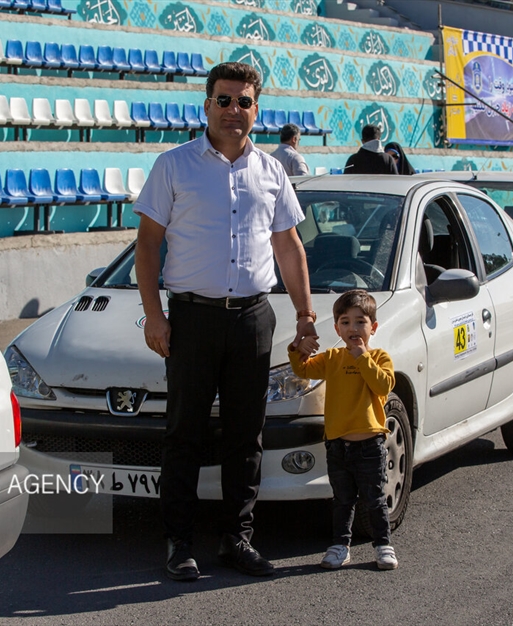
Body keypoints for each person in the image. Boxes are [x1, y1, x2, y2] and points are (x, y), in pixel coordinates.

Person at [133, 62, 318, 583]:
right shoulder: (174, 165)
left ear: (256, 109)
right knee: (184, 434)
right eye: (224, 100)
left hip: (253, 319)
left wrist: (305, 317)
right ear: (206, 105)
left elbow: (288, 246)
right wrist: (154, 315)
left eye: (244, 101)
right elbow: (148, 247)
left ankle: (238, 539)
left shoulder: (272, 171)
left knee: (245, 435)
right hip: (192, 317)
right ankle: (180, 543)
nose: (234, 110)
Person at [287, 289, 398, 571]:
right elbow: (303, 370)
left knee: (374, 499)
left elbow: (384, 386)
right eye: (345, 322)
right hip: (337, 445)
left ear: (373, 327)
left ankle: (383, 545)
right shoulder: (333, 358)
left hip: (371, 444)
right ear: (337, 327)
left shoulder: (380, 357)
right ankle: (340, 546)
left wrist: (362, 357)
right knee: (342, 500)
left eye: (360, 322)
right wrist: (298, 349)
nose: (353, 329)